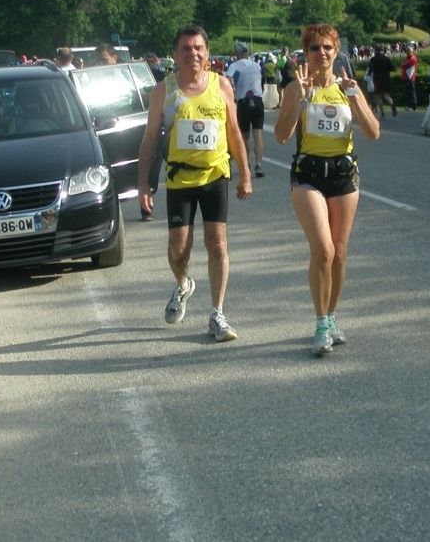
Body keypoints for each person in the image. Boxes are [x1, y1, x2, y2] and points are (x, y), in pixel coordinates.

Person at [137, 24, 253, 342]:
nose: (193, 53)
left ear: (207, 52)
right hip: (179, 178)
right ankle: (183, 283)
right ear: (175, 55)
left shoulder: (222, 85)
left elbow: (233, 131)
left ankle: (217, 314)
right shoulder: (163, 90)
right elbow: (149, 139)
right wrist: (143, 184)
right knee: (178, 250)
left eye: (198, 47)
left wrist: (244, 173)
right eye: (186, 48)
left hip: (215, 174)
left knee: (217, 244)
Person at [275, 24, 381, 356]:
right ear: (304, 54)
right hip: (308, 174)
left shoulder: (349, 87)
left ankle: (332, 315)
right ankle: (321, 323)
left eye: (327, 47)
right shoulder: (296, 88)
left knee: (340, 251)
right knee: (323, 250)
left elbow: (373, 132)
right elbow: (280, 135)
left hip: (343, 174)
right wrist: (300, 99)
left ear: (337, 52)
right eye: (314, 48)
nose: (321, 53)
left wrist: (355, 97)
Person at [225, 42, 266, 178]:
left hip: (243, 101)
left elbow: (227, 81)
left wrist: (232, 95)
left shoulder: (234, 66)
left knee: (244, 137)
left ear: (237, 54)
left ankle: (246, 163)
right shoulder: (256, 65)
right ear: (247, 53)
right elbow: (262, 80)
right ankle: (259, 164)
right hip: (258, 100)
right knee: (258, 135)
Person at [366, 46, 396, 119]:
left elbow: (370, 69)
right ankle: (392, 104)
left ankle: (382, 113)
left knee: (378, 96)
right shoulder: (386, 59)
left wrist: (369, 74)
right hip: (386, 78)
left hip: (377, 79)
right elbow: (392, 68)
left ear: (375, 51)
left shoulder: (373, 60)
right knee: (386, 95)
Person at [401, 45, 419, 111]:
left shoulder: (413, 59)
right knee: (408, 92)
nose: (407, 53)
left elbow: (403, 65)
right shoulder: (408, 58)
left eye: (408, 51)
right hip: (407, 77)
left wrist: (403, 64)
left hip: (410, 77)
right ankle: (409, 106)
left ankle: (413, 106)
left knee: (411, 92)